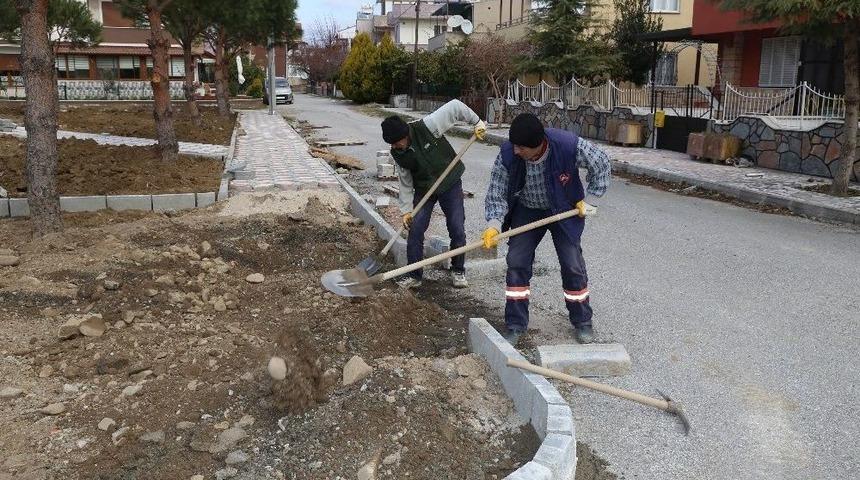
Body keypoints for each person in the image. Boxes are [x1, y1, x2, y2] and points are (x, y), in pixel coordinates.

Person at [482, 113, 611, 345]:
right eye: (514, 145)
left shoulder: (566, 145)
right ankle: (515, 324)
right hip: (527, 209)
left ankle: (582, 321)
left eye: (521, 147)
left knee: (572, 264)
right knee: (516, 261)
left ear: (538, 144)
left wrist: (590, 200)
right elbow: (496, 192)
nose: (516, 151)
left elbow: (601, 163)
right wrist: (493, 224)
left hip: (563, 208)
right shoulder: (508, 154)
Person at [381, 100, 486, 290]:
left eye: (397, 142)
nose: (396, 146)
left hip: (450, 182)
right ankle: (414, 275)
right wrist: (406, 210)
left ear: (405, 134)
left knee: (456, 227)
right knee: (415, 229)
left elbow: (455, 107)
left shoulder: (427, 126)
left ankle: (458, 270)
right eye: (392, 144)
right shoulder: (398, 154)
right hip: (424, 190)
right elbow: (405, 183)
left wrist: (476, 122)